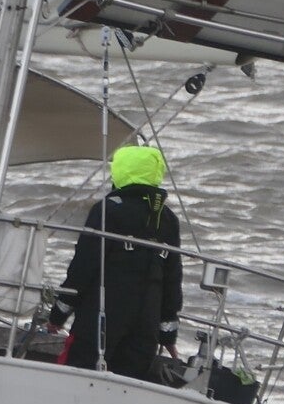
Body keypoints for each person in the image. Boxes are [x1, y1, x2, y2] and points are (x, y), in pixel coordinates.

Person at [47, 145, 183, 381]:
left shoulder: (107, 210)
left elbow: (83, 267)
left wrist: (58, 315)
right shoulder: (168, 219)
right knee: (129, 383)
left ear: (120, 171)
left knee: (76, 375)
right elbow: (172, 280)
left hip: (101, 318)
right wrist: (168, 336)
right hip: (146, 329)